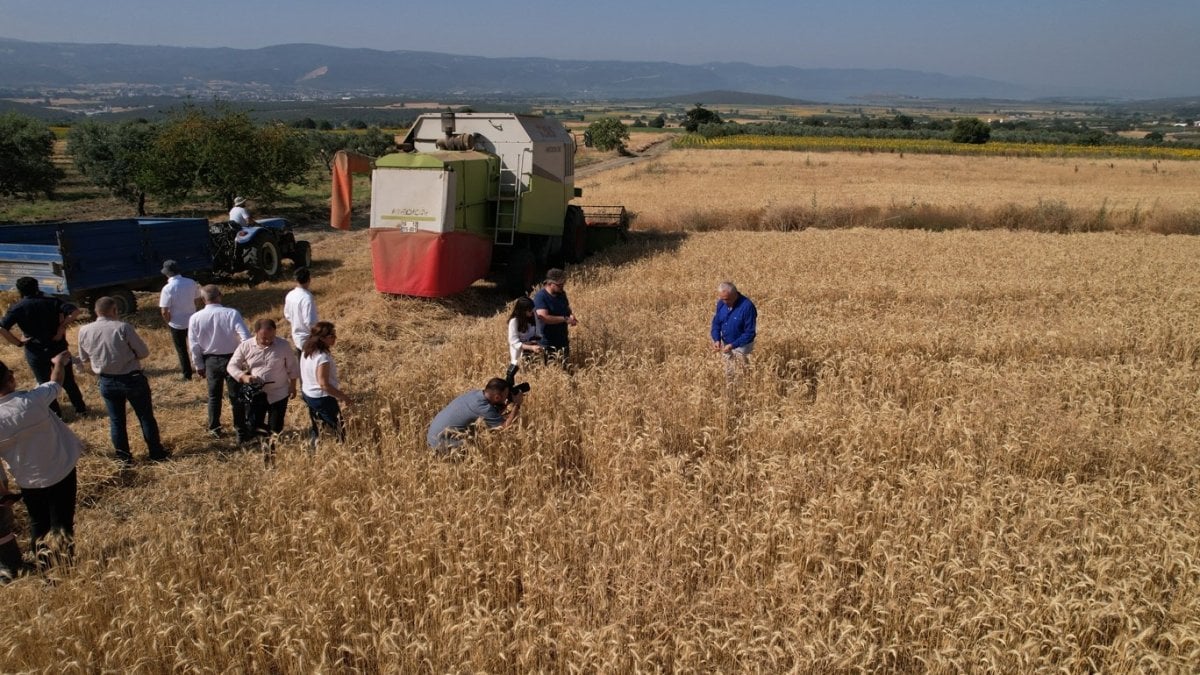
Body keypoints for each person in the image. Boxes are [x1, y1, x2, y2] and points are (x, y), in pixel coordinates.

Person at [0, 352, 83, 572]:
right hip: (61, 470)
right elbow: (55, 382)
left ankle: (46, 568)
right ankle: (65, 566)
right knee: (62, 521)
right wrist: (58, 363)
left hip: (28, 480)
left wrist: (2, 490)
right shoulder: (33, 400)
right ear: (11, 378)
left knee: (38, 523)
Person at [77, 297, 169, 466]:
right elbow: (143, 353)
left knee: (116, 421)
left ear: (96, 311)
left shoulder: (84, 330)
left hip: (106, 381)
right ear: (114, 310)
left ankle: (123, 458)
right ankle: (156, 453)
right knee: (145, 417)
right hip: (132, 379)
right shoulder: (123, 328)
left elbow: (84, 359)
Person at [0, 277, 89, 419]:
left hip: (35, 351)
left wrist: (18, 342)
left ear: (19, 291)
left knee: (44, 384)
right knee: (68, 381)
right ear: (38, 287)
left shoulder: (17, 308)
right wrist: (62, 326)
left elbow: (2, 327)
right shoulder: (51, 301)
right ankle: (81, 410)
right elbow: (75, 311)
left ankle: (56, 415)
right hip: (57, 347)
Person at [188, 285, 252, 440]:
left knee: (213, 397)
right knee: (236, 396)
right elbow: (245, 337)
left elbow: (194, 345)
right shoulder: (231, 313)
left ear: (203, 300)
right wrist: (245, 358)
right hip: (232, 359)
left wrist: (199, 365)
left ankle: (215, 429)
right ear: (220, 295)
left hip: (210, 360)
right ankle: (241, 431)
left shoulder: (195, 318)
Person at [227, 319, 299, 447]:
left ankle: (272, 448)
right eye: (264, 338)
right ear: (256, 333)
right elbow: (231, 366)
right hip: (257, 393)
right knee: (254, 424)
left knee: (276, 426)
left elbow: (292, 367)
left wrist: (293, 386)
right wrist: (243, 377)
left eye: (271, 337)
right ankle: (265, 439)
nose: (268, 341)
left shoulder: (283, 345)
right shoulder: (246, 346)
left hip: (279, 392)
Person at [427, 378, 523, 456]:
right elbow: (505, 427)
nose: (507, 398)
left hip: (432, 437)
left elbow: (490, 414)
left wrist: (506, 404)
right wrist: (517, 405)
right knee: (477, 454)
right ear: (497, 397)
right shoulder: (483, 408)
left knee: (475, 436)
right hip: (440, 444)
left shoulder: (475, 394)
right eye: (506, 395)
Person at [300, 322, 350, 447]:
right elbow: (324, 384)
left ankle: (313, 451)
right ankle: (344, 451)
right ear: (322, 338)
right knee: (339, 430)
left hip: (308, 394)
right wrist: (343, 397)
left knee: (317, 427)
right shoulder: (322, 358)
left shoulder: (307, 350)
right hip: (322, 398)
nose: (335, 338)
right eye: (331, 336)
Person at [158, 260, 203, 381]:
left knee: (182, 349)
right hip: (192, 320)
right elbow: (198, 299)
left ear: (167, 274)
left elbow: (164, 310)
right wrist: (193, 310)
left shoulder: (167, 288)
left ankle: (187, 374)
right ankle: (202, 368)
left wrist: (168, 321)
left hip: (176, 323)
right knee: (197, 345)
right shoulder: (191, 282)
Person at [532, 268, 577, 365]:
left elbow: (566, 308)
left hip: (562, 339)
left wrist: (571, 315)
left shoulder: (561, 293)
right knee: (550, 370)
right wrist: (565, 319)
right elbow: (544, 317)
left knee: (564, 367)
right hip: (547, 342)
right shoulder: (541, 297)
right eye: (559, 285)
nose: (562, 287)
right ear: (549, 284)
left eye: (563, 284)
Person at [710, 281, 757, 370]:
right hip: (726, 344)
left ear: (735, 294)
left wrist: (733, 345)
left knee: (741, 371)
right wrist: (716, 339)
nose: (724, 302)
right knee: (728, 371)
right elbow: (716, 323)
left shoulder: (747, 307)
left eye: (727, 299)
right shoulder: (721, 303)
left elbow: (750, 333)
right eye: (722, 299)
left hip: (742, 346)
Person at [283, 267, 318, 357]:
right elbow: (310, 321)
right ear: (309, 279)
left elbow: (287, 315)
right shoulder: (307, 298)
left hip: (296, 336)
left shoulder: (290, 295)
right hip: (308, 338)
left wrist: (296, 322)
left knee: (300, 362)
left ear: (296, 279)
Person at [507, 296, 542, 365]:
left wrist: (536, 342)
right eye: (529, 310)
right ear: (522, 311)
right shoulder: (514, 322)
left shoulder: (533, 315)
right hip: (519, 355)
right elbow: (514, 342)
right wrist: (531, 347)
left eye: (533, 309)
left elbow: (538, 332)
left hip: (534, 352)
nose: (532, 311)